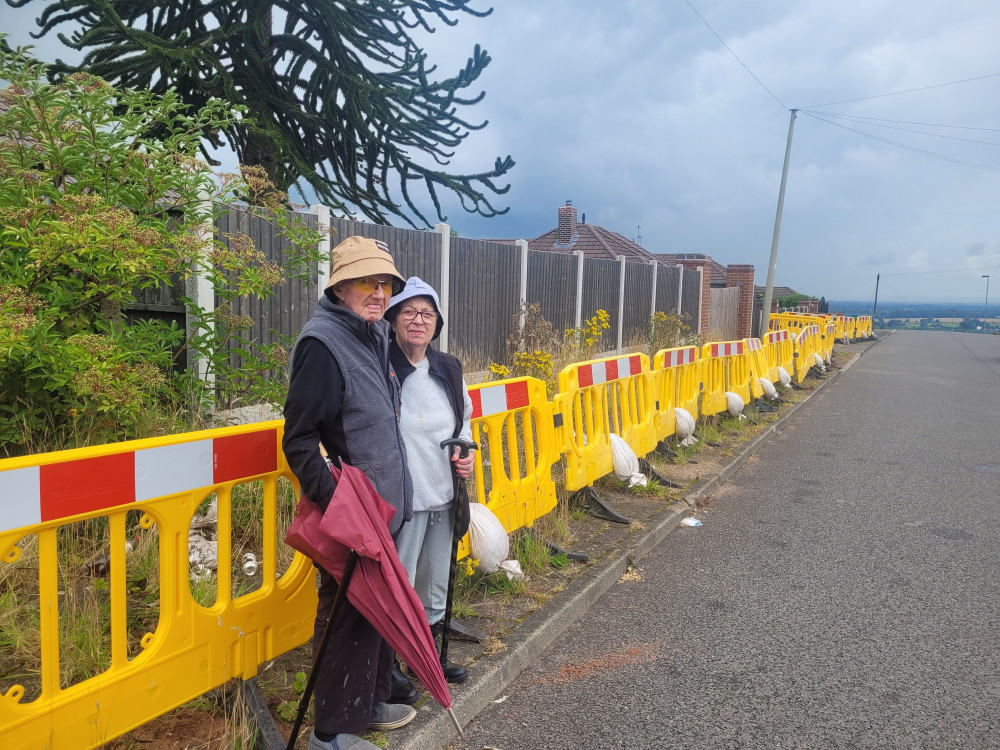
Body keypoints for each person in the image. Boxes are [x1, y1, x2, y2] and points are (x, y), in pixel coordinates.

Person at [282, 236, 416, 750]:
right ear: (340, 285)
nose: (379, 293)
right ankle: (331, 734)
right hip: (353, 516)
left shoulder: (374, 333)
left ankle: (371, 704)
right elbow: (298, 440)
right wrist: (338, 505)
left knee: (376, 610)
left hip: (386, 510)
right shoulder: (322, 344)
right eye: (367, 281)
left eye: (385, 283)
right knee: (345, 615)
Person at [383, 277, 475, 703]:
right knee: (397, 583)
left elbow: (464, 422)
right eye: (409, 312)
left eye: (427, 313)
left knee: (435, 582)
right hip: (403, 499)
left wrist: (467, 454)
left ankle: (431, 656)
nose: (418, 321)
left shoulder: (448, 368)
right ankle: (390, 668)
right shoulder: (382, 367)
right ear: (394, 319)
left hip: (444, 493)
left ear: (436, 322)